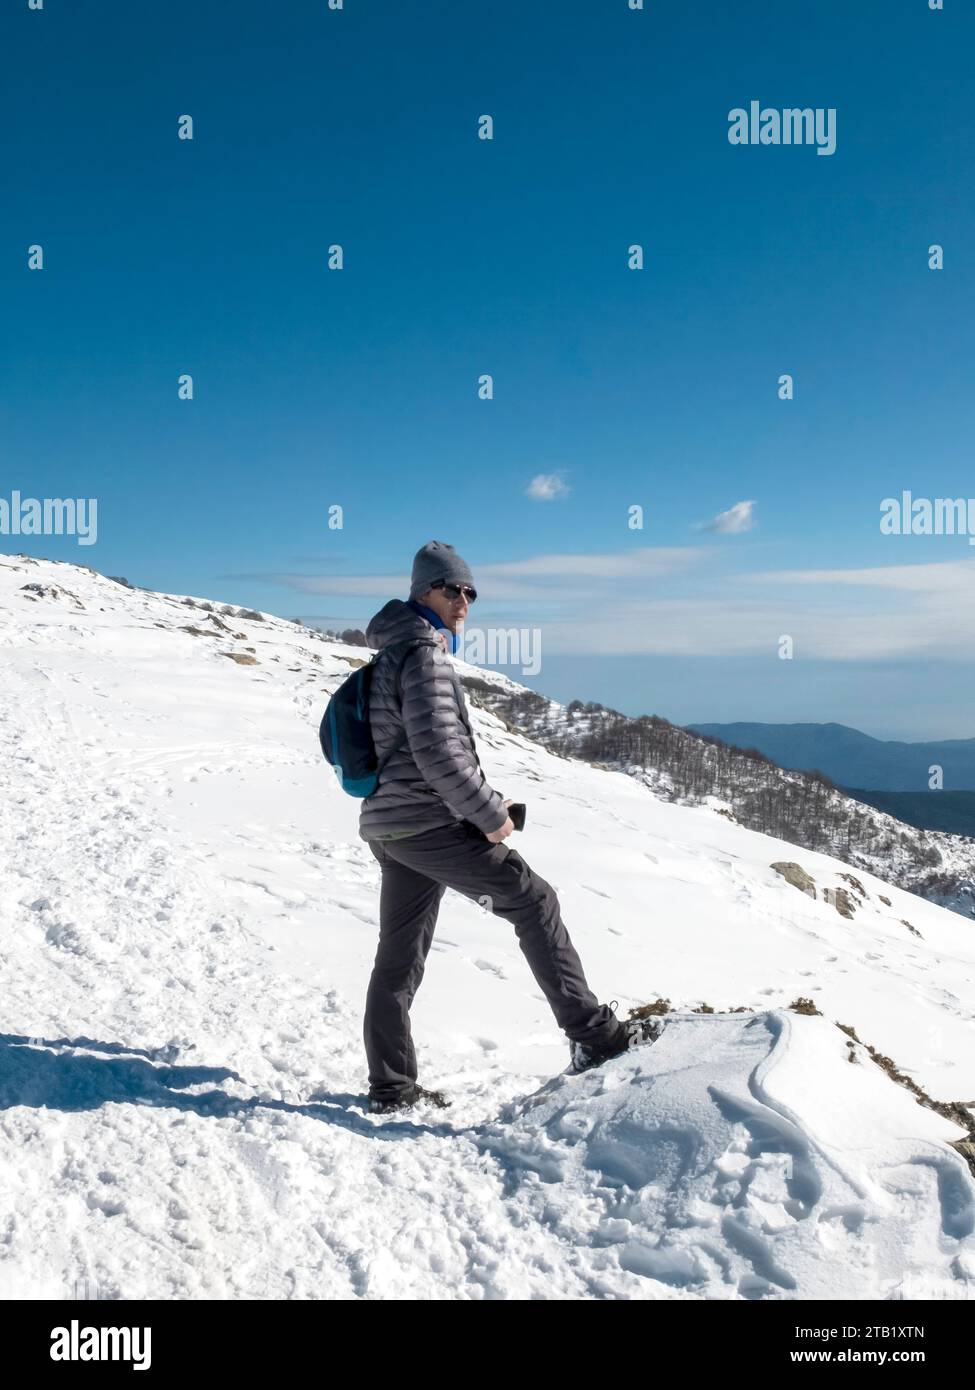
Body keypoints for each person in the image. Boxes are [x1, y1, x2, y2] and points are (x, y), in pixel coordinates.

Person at [358, 540, 654, 1114]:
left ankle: (391, 1089)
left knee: (397, 958)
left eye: (471, 592)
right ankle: (594, 1036)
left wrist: (483, 803)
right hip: (426, 826)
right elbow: (440, 755)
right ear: (424, 592)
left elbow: (411, 753)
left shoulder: (390, 654)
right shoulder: (423, 656)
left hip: (391, 828)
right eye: (452, 589)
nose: (464, 600)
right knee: (534, 901)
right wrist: (491, 815)